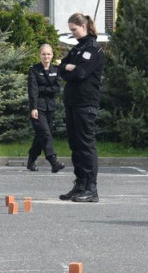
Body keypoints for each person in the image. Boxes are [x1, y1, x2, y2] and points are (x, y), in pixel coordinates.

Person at [59, 13, 104, 203]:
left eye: (74, 30)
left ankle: (91, 188)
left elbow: (81, 73)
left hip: (86, 103)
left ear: (83, 26)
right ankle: (80, 184)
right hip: (72, 102)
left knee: (86, 145)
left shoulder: (93, 49)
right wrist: (68, 69)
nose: (72, 34)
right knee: (75, 145)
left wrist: (71, 69)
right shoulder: (77, 49)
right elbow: (61, 68)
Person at [26, 43, 66, 174]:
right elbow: (33, 90)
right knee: (46, 134)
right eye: (43, 54)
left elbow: (57, 88)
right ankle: (53, 161)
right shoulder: (34, 70)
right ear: (40, 55)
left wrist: (42, 89)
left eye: (48, 54)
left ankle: (31, 160)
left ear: (52, 55)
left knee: (41, 136)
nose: (46, 56)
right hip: (38, 107)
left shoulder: (56, 69)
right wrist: (33, 107)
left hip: (50, 107)